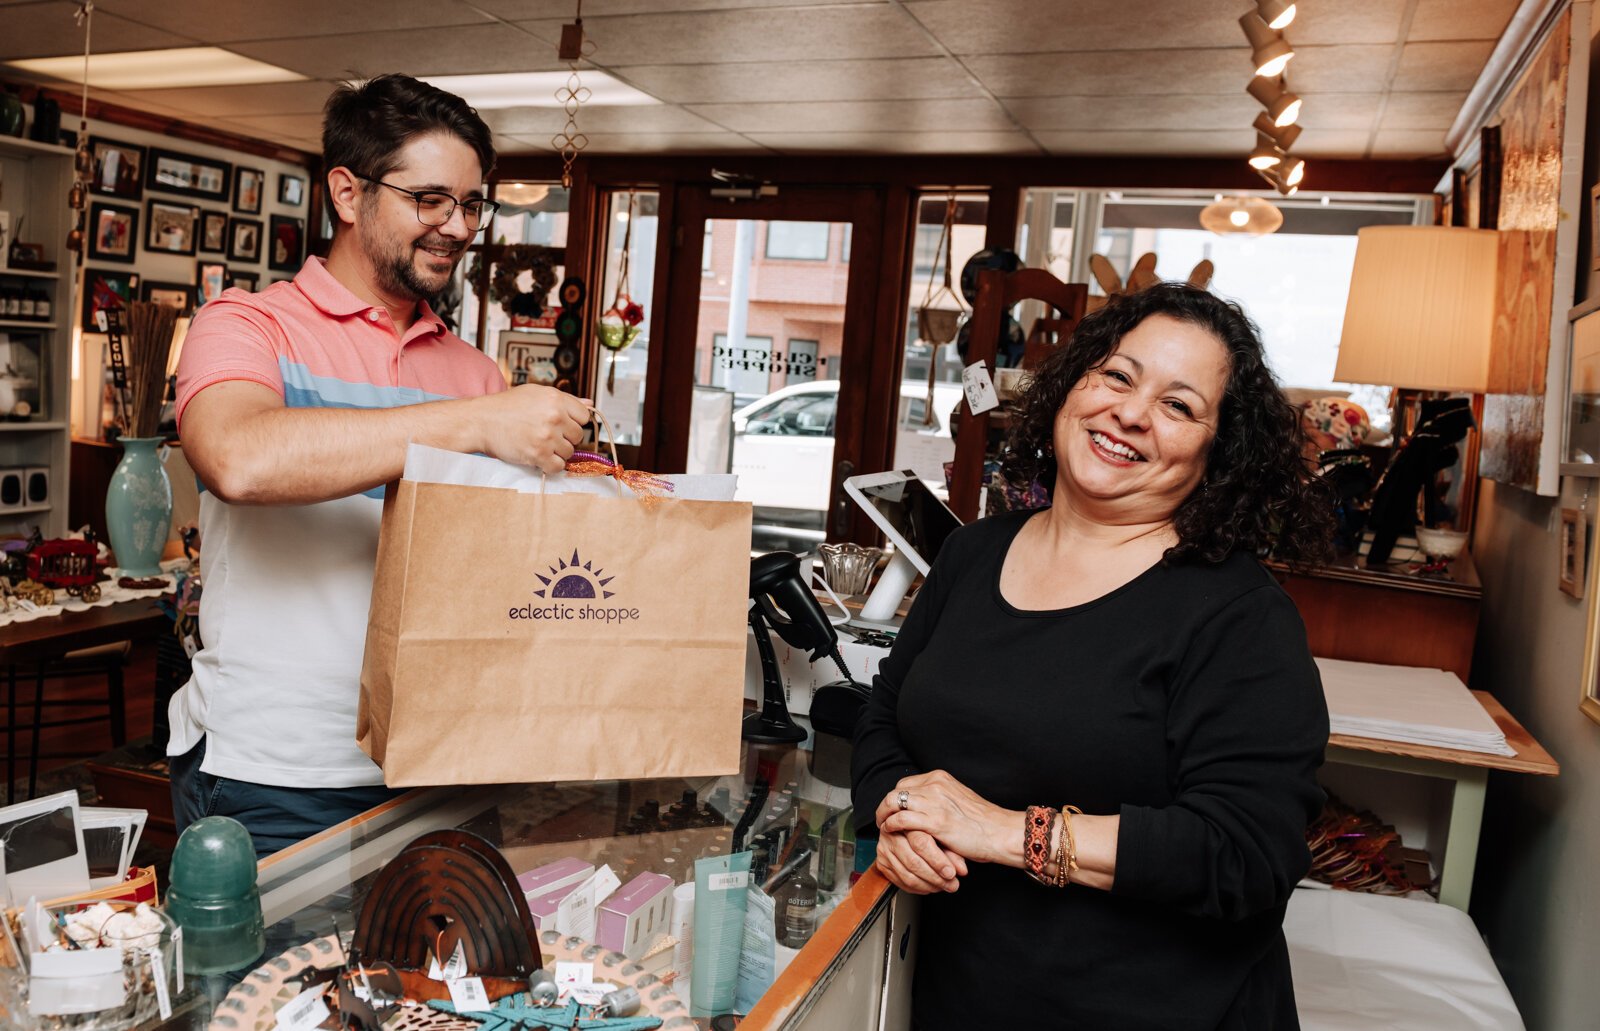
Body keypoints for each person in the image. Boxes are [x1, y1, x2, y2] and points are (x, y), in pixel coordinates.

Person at [851, 283, 1334, 1030]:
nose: (1132, 413)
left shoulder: (1239, 616)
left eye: (1179, 406)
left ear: (1218, 451)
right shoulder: (974, 554)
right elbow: (884, 718)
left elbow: (1247, 851)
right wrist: (903, 812)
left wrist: (1006, 832)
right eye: (1117, 375)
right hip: (960, 993)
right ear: (1074, 381)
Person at [170, 74, 592, 855]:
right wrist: (477, 423)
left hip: (444, 766)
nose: (457, 226)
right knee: (273, 984)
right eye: (429, 199)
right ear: (347, 191)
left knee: (447, 985)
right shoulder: (245, 325)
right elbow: (239, 459)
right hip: (275, 775)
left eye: (471, 204)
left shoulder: (474, 372)